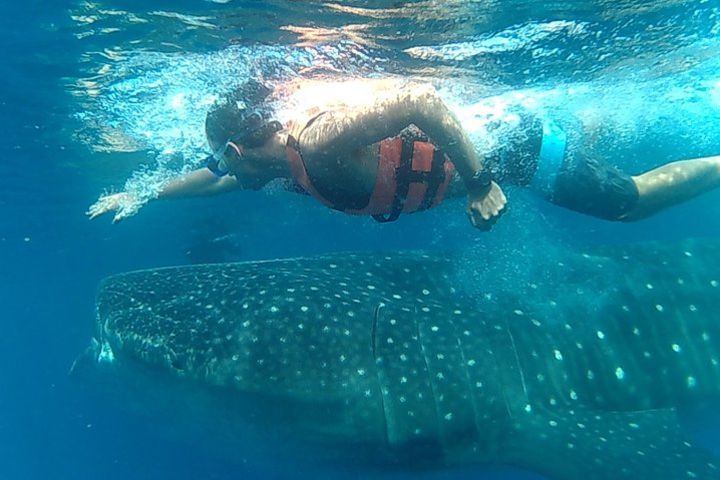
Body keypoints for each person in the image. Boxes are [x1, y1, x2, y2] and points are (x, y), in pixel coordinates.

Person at [88, 78, 720, 229]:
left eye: (224, 159)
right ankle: (586, 122)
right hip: (498, 137)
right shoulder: (273, 162)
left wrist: (479, 182)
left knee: (629, 203)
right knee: (586, 155)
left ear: (236, 147)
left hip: (514, 151)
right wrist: (140, 193)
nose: (226, 171)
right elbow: (213, 182)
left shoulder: (316, 141)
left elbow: (422, 99)